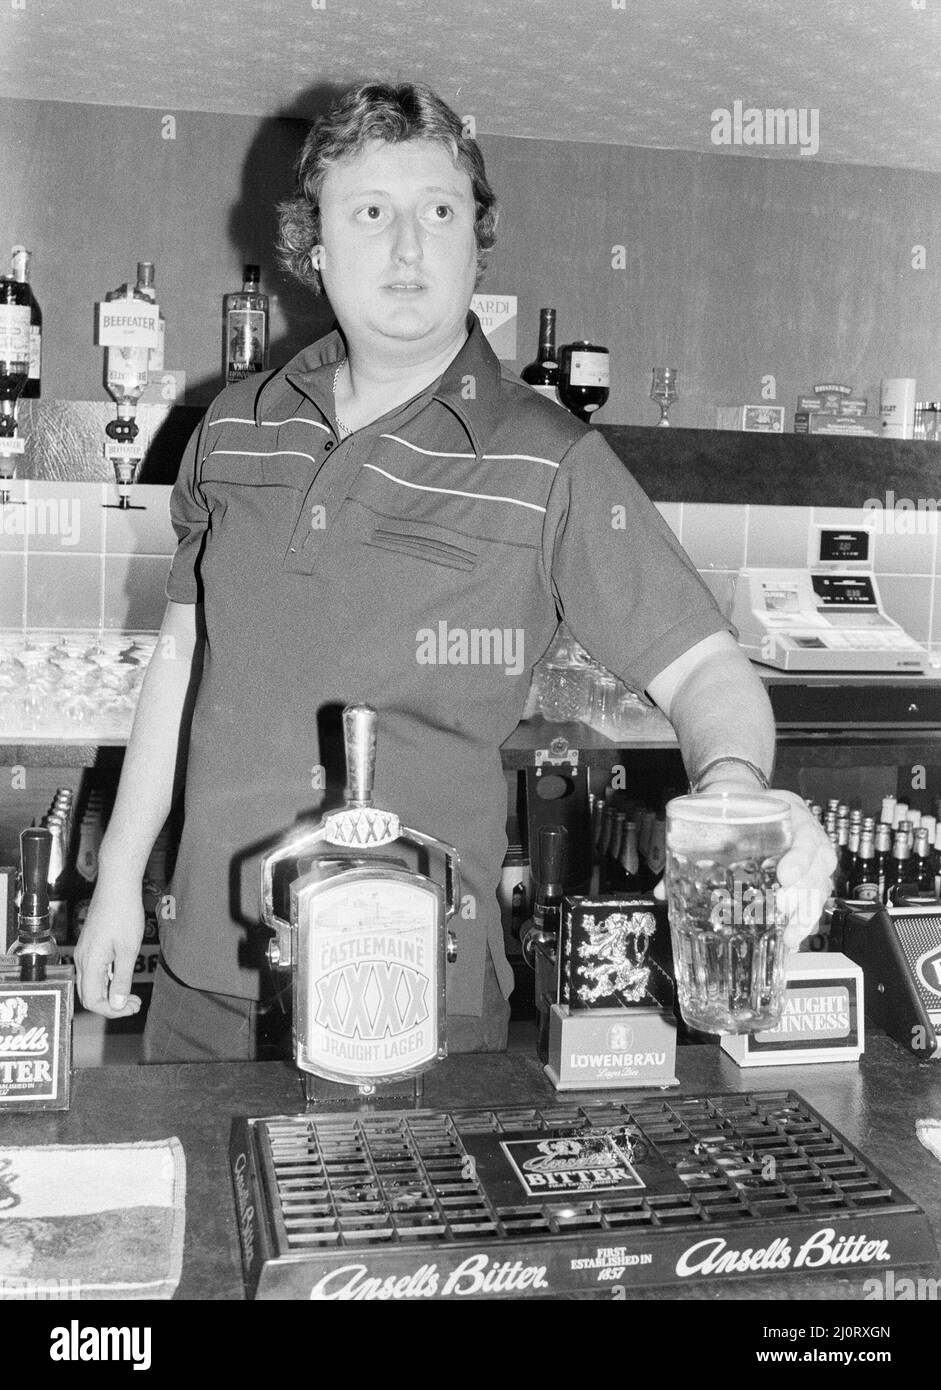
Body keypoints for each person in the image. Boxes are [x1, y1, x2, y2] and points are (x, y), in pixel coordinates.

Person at [75, 81, 834, 1059]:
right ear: (314, 244)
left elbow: (705, 672)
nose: (405, 248)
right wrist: (118, 885)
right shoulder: (230, 425)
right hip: (208, 980)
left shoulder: (547, 457)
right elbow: (178, 667)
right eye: (370, 212)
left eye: (438, 212)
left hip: (416, 998)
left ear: (476, 240)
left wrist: (732, 790)